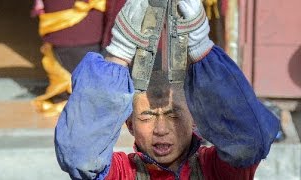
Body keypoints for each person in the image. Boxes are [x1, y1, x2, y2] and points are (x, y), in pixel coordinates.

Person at [54, 0, 279, 179]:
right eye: (147, 116)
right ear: (130, 125)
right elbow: (80, 157)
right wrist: (119, 52)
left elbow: (251, 143)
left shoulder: (216, 169)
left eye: (174, 114)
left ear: (194, 119)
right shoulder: (123, 173)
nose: (161, 130)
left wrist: (201, 48)